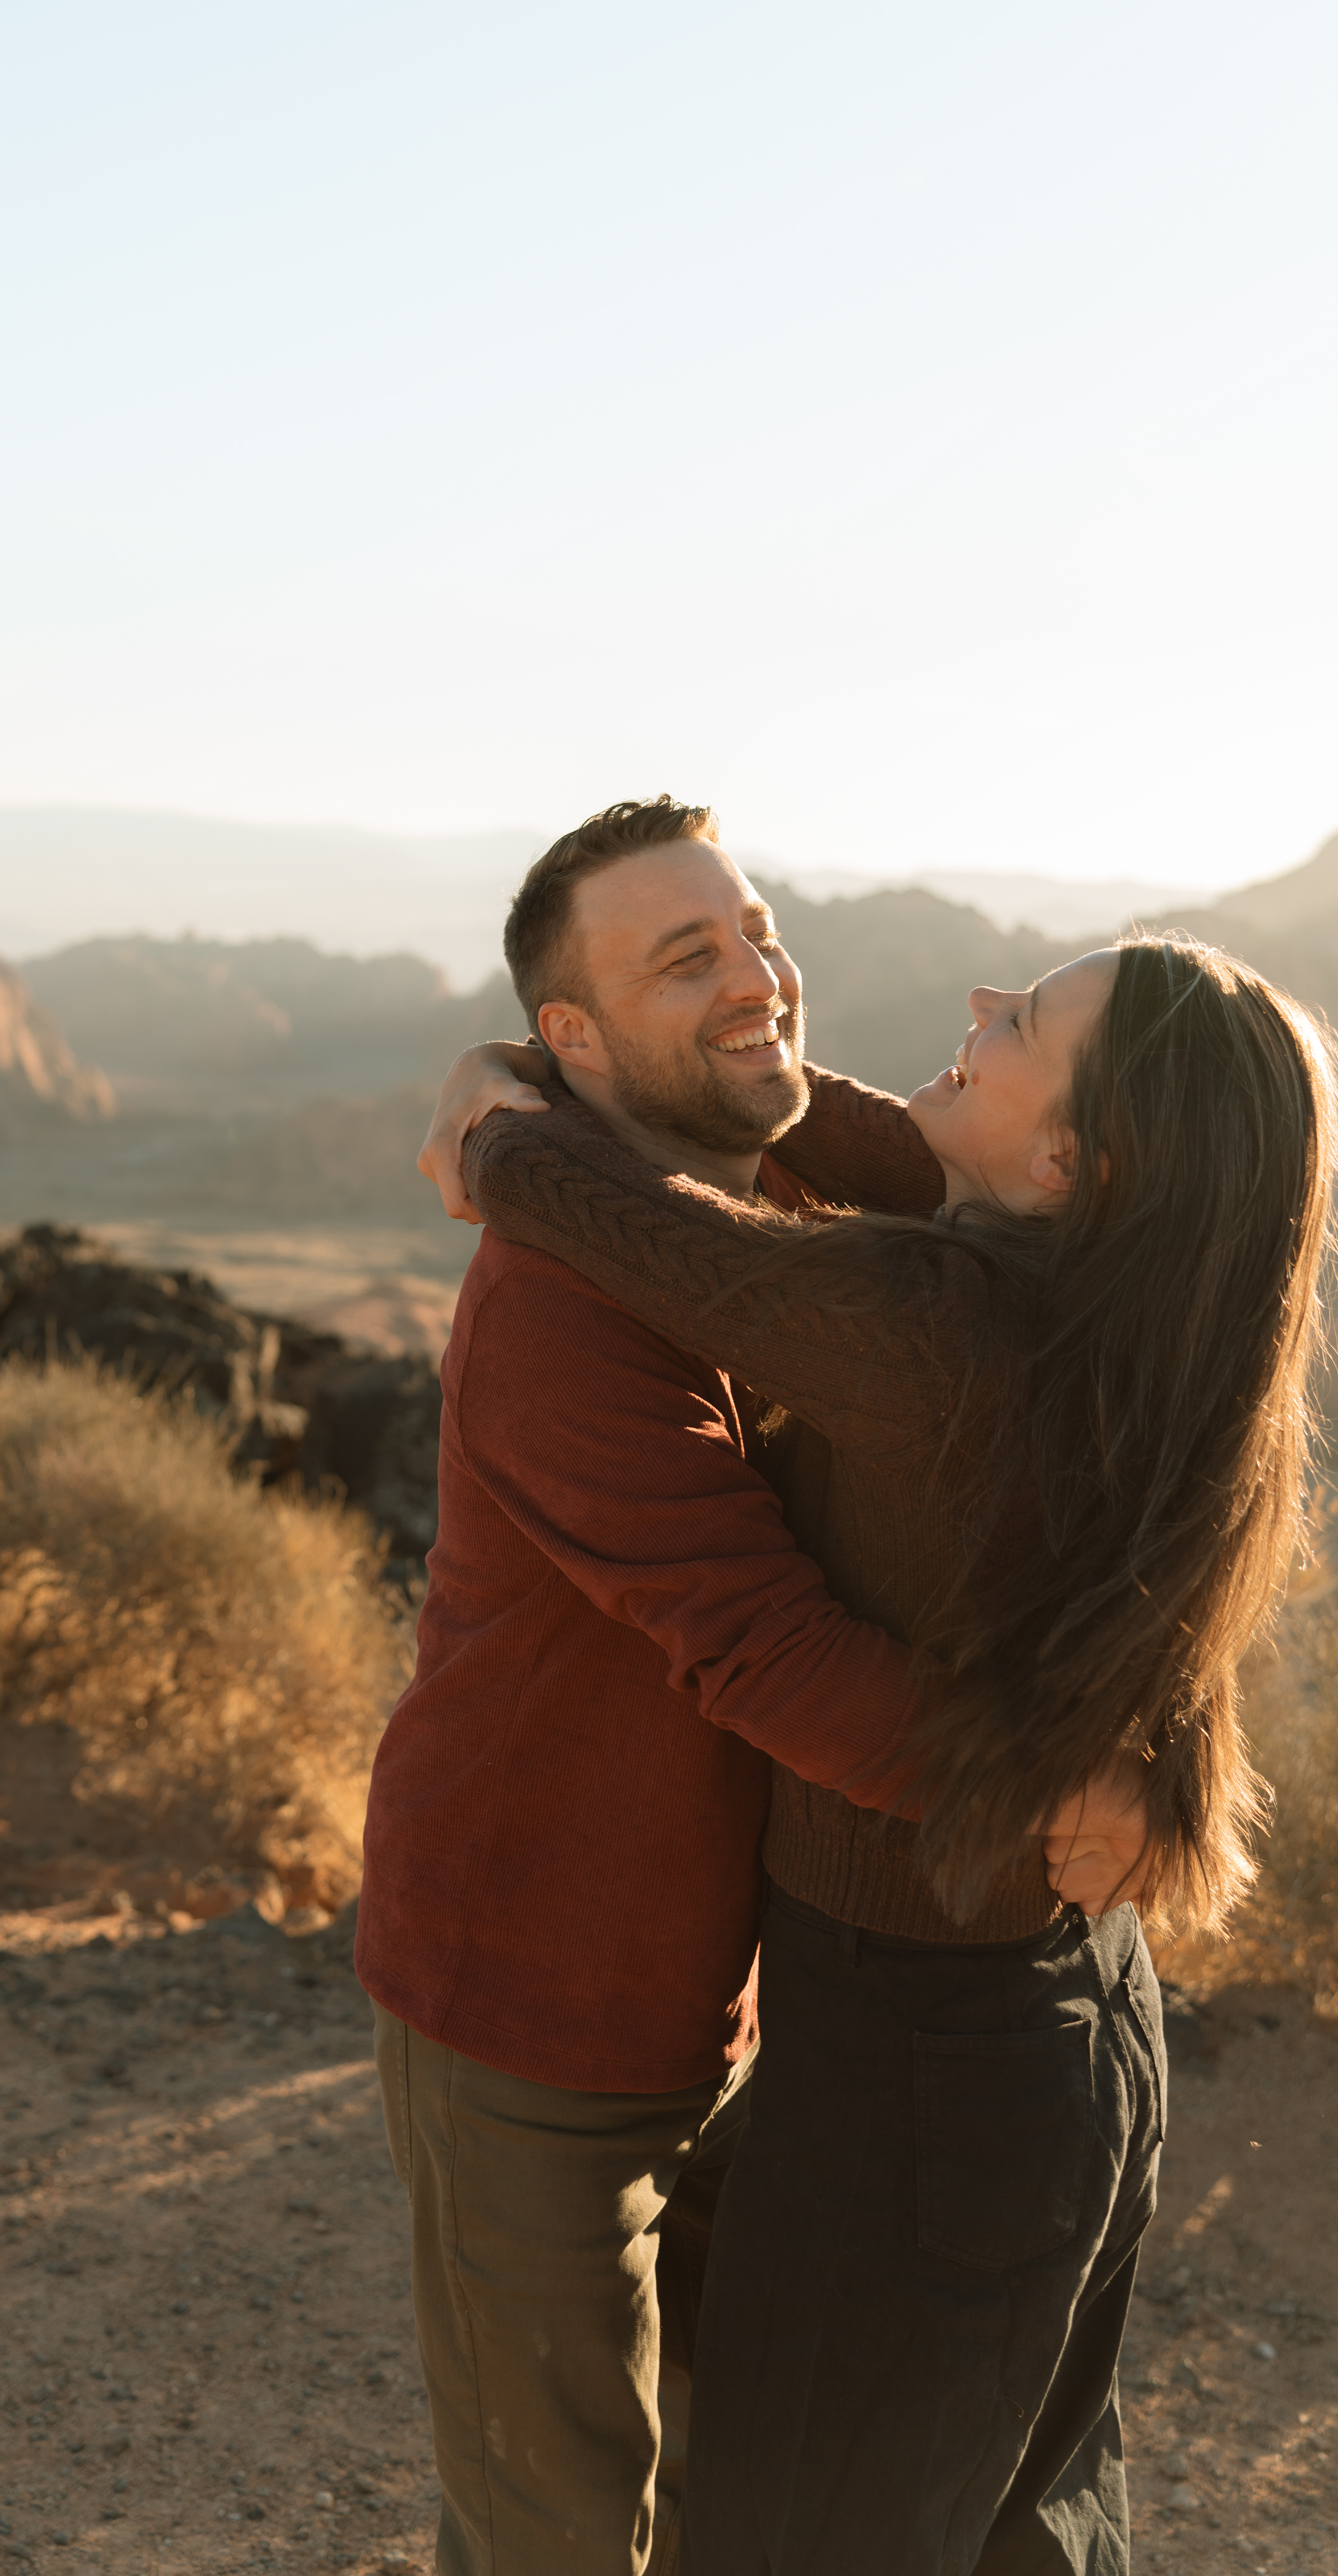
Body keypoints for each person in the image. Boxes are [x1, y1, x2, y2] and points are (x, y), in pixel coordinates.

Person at [433, 870, 1338, 2574]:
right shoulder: (1140, 1318)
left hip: (919, 2074)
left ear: (1075, 1170)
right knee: (1025, 2527)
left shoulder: (933, 1326)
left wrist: (496, 1128)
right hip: (1087, 2032)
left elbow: (656, 1238)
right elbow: (871, 1150)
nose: (971, 1009)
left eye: (1019, 1028)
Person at [362, 796, 1116, 2576]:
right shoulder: (562, 1309)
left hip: (732, 1990)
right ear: (579, 1038)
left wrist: (506, 1087)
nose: (757, 979)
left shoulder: (758, 1168)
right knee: (554, 2523)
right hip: (529, 2002)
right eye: (683, 957)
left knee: (723, 2485)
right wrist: (1046, 1783)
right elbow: (768, 1651)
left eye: (757, 929)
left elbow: (923, 1146)